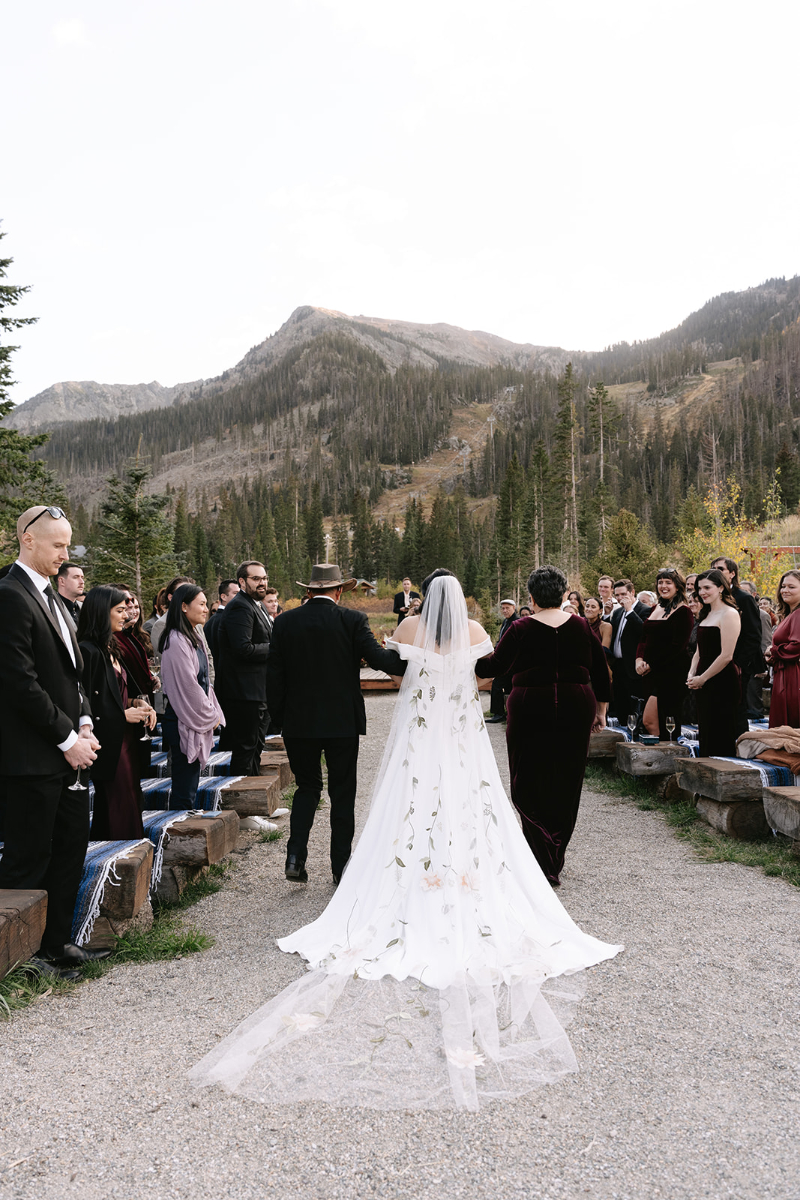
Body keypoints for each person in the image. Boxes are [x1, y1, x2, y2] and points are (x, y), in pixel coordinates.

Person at [190, 569, 621, 1111]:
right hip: (461, 739)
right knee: (468, 802)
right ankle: (464, 871)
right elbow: (485, 671)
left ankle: (372, 866)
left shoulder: (410, 628)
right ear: (460, 598)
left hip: (418, 737)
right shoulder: (473, 628)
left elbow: (392, 663)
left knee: (406, 801)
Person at [0, 505, 108, 975]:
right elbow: (18, 682)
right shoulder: (9, 595)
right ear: (27, 539)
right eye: (57, 545)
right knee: (28, 859)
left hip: (68, 752)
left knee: (68, 851)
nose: (65, 555)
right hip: (30, 757)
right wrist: (67, 738)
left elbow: (72, 676)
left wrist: (83, 722)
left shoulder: (55, 598)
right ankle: (16, 961)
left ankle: (57, 945)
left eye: (68, 545)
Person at [266, 562, 407, 885]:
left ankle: (295, 856)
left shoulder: (284, 621)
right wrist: (413, 654)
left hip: (299, 723)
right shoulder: (352, 620)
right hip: (342, 721)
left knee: (307, 787)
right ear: (339, 590)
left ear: (309, 590)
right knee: (342, 792)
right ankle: (340, 867)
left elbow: (274, 676)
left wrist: (280, 719)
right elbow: (378, 659)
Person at [476, 564, 610, 886]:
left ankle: (540, 857)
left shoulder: (520, 628)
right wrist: (601, 711)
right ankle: (554, 855)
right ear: (564, 594)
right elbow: (601, 672)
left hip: (530, 705)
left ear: (531, 597)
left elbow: (491, 667)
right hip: (577, 702)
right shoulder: (581, 626)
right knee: (567, 776)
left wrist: (466, 650)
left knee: (526, 777)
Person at [78, 586, 156, 839]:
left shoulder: (110, 646)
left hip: (126, 738)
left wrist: (137, 704)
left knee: (130, 796)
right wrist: (123, 715)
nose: (127, 615)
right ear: (102, 612)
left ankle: (131, 856)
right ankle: (122, 859)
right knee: (117, 802)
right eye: (120, 610)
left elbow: (118, 694)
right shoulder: (88, 651)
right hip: (108, 740)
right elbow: (83, 704)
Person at [159, 584, 224, 806]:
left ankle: (186, 822)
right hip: (181, 719)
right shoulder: (177, 640)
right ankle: (180, 830)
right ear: (184, 606)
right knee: (184, 785)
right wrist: (210, 714)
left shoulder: (192, 635)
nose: (206, 609)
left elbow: (203, 680)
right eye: (202, 604)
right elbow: (188, 686)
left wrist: (213, 709)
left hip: (190, 716)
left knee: (190, 782)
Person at [214, 561, 272, 776]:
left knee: (255, 747)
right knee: (245, 750)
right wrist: (277, 648)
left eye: (264, 578)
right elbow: (243, 649)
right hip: (244, 693)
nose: (262, 583)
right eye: (256, 579)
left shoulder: (256, 605)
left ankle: (253, 796)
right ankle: (243, 802)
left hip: (257, 690)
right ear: (242, 581)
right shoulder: (240, 606)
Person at [635, 568, 694, 740]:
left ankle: (668, 756)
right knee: (653, 722)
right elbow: (643, 638)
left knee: (656, 720)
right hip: (649, 673)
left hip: (671, 673)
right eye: (660, 582)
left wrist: (650, 664)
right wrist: (639, 660)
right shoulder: (656, 607)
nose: (663, 586)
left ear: (678, 586)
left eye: (668, 582)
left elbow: (677, 646)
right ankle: (657, 757)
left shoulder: (684, 612)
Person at [687, 569, 741, 756]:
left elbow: (726, 655)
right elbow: (698, 652)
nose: (702, 592)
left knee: (721, 730)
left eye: (707, 587)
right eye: (699, 588)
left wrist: (703, 678)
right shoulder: (706, 614)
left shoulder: (730, 614)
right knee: (706, 729)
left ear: (720, 588)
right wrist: (692, 673)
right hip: (702, 679)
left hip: (722, 680)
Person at [710, 557, 763, 736]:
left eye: (721, 569)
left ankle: (739, 747)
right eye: (713, 569)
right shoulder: (713, 598)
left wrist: (738, 663)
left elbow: (753, 635)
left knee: (737, 707)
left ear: (732, 574)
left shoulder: (744, 598)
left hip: (737, 663)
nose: (716, 572)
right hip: (716, 661)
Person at [607, 580, 645, 726]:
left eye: (623, 594)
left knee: (634, 707)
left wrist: (630, 611)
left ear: (632, 592)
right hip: (618, 666)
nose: (620, 598)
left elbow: (643, 632)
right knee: (620, 705)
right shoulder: (617, 613)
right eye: (617, 595)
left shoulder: (644, 610)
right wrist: (607, 614)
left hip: (634, 666)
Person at [766, 570, 800, 728]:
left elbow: (797, 646)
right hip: (785, 672)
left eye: (791, 587)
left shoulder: (799, 614)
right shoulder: (790, 613)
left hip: (793, 676)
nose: (785, 590)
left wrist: (773, 651)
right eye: (783, 586)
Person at [485, 599, 518, 724]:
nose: (504, 610)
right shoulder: (506, 622)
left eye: (507, 608)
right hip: (505, 660)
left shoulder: (516, 622)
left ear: (514, 608)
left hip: (510, 662)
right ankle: (507, 713)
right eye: (503, 608)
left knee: (497, 685)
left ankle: (499, 713)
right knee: (508, 687)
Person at [204, 579, 239, 662]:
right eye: (236, 593)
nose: (240, 597)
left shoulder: (212, 620)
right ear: (223, 597)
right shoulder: (228, 619)